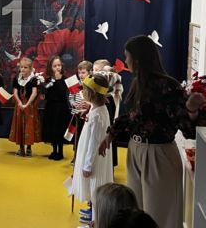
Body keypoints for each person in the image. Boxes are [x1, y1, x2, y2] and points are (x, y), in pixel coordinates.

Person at [99, 35, 199, 228]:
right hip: (136, 150)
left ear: (137, 59)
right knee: (136, 214)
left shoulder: (169, 85)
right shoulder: (138, 83)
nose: (126, 61)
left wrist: (192, 110)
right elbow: (133, 117)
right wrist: (110, 134)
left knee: (159, 215)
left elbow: (188, 128)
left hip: (159, 154)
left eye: (127, 57)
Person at [71, 74, 113, 225]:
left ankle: (96, 221)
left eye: (85, 89)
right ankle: (94, 218)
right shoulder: (98, 109)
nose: (82, 92)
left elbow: (94, 143)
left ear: (92, 93)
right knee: (94, 190)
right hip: (93, 156)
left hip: (94, 159)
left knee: (96, 190)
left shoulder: (97, 116)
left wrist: (87, 165)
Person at [93, 59, 123, 167]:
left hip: (107, 125)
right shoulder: (102, 93)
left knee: (106, 135)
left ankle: (109, 164)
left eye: (97, 70)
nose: (95, 73)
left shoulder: (109, 96)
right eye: (94, 70)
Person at [9, 57, 41, 156]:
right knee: (20, 125)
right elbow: (15, 92)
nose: (23, 69)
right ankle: (21, 147)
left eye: (25, 67)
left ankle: (29, 148)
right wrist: (19, 103)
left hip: (29, 106)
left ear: (30, 69)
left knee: (29, 125)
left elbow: (34, 93)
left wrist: (27, 104)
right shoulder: (17, 78)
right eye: (21, 67)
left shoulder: (33, 79)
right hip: (19, 105)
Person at [42, 55, 71, 160]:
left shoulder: (64, 79)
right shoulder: (48, 79)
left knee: (60, 129)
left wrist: (58, 80)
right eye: (55, 66)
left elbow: (63, 93)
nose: (57, 68)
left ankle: (60, 152)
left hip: (61, 108)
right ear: (50, 68)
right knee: (52, 129)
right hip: (51, 107)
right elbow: (45, 94)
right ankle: (54, 150)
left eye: (59, 65)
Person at [70, 60, 92, 164]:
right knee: (77, 136)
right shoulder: (76, 84)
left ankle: (85, 157)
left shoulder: (92, 85)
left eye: (83, 72)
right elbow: (71, 97)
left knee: (86, 137)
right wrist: (74, 104)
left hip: (88, 116)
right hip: (77, 115)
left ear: (90, 72)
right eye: (79, 73)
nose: (81, 75)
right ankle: (76, 156)